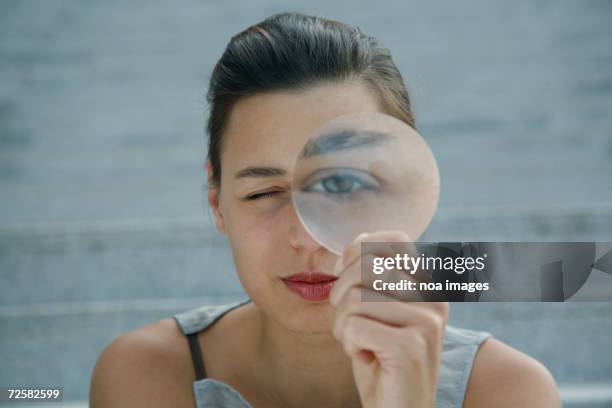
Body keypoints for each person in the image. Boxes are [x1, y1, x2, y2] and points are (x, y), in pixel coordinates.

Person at [90, 12, 561, 407]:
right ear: (217, 203)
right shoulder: (145, 376)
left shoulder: (508, 390)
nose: (308, 237)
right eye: (264, 193)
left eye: (344, 184)